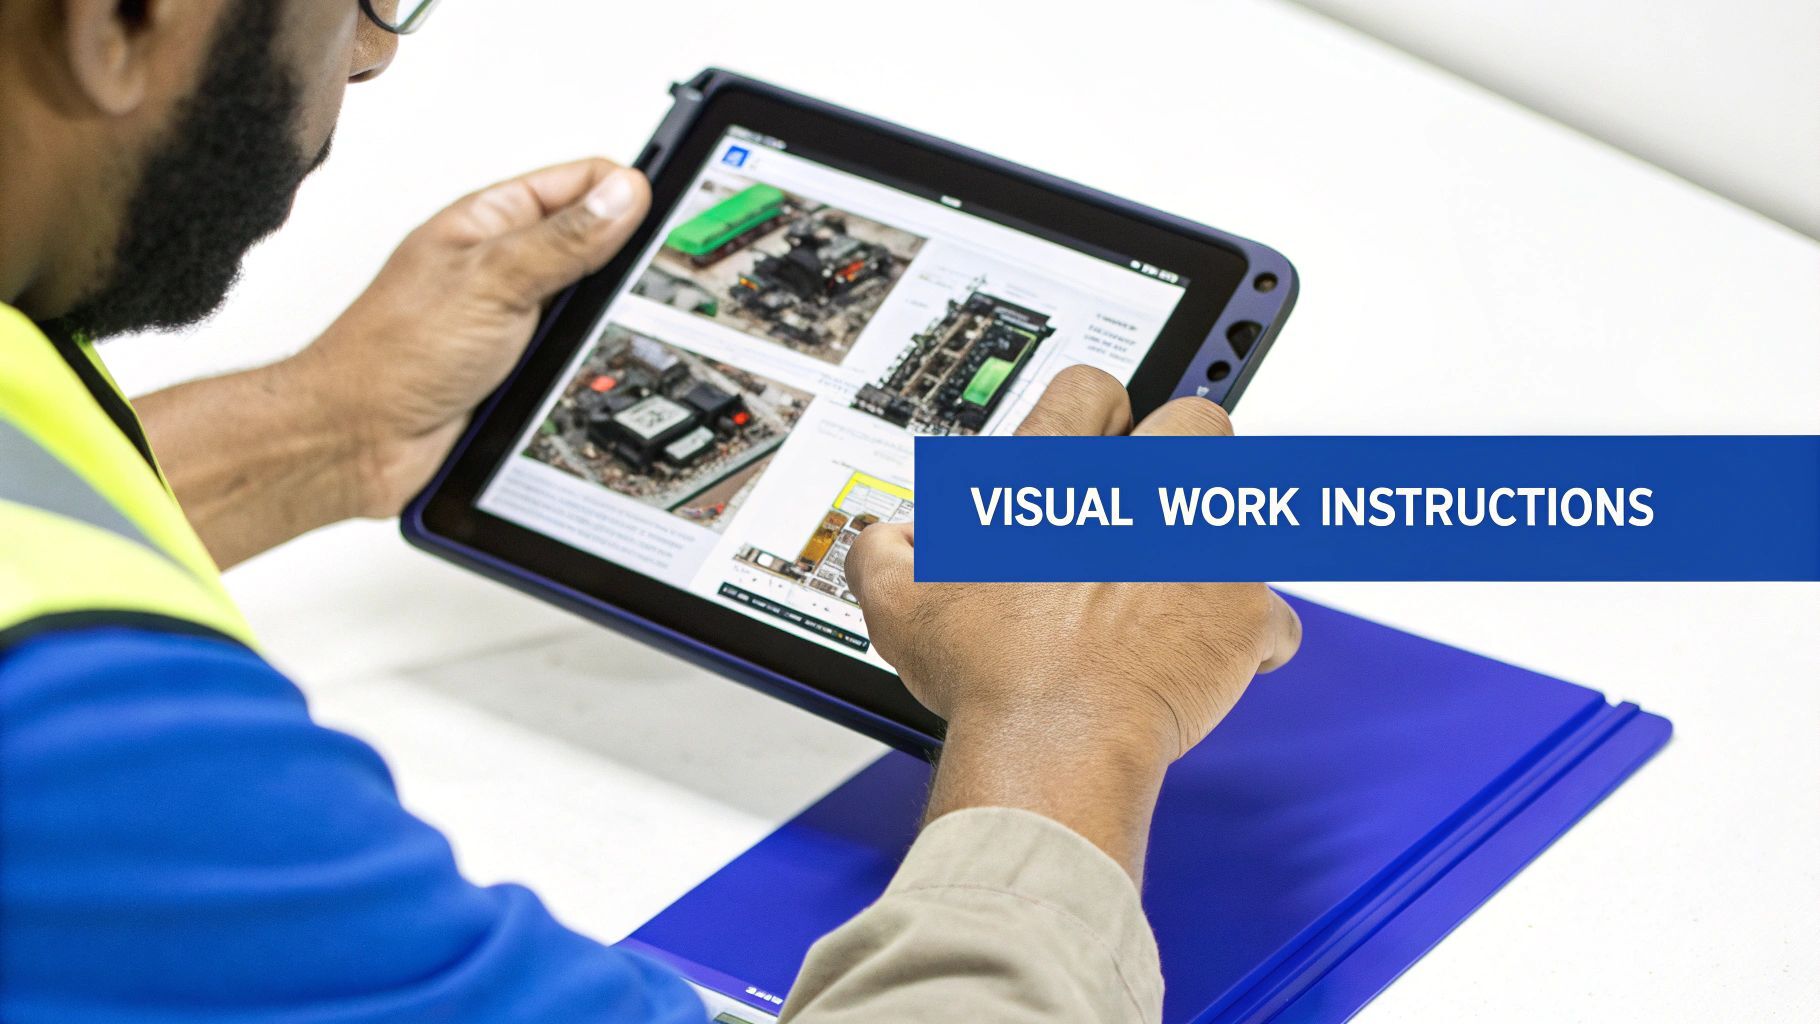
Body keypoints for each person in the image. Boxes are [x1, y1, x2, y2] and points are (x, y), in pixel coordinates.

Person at [0, 2, 1303, 1021]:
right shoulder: (91, 758)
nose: (375, 54)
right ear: (120, 17)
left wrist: (326, 431)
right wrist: (1069, 724)